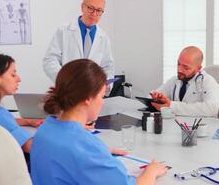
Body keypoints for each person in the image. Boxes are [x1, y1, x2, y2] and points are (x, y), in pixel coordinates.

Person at [31, 59, 167, 185]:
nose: (102, 102)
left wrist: (99, 154)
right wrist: (152, 171)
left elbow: (69, 155)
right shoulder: (84, 147)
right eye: (102, 96)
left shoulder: (46, 129)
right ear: (88, 98)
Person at [43, 0, 114, 82]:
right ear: (82, 7)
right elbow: (50, 60)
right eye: (90, 8)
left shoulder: (103, 38)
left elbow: (108, 66)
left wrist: (105, 83)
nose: (94, 13)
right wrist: (65, 80)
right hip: (68, 89)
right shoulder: (64, 31)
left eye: (99, 10)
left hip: (92, 90)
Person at [150, 46, 219, 117]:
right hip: (178, 124)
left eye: (186, 67)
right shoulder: (174, 80)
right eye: (178, 64)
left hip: (204, 125)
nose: (179, 70)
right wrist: (157, 99)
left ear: (198, 68)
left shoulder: (208, 82)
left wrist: (171, 105)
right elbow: (151, 96)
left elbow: (211, 109)